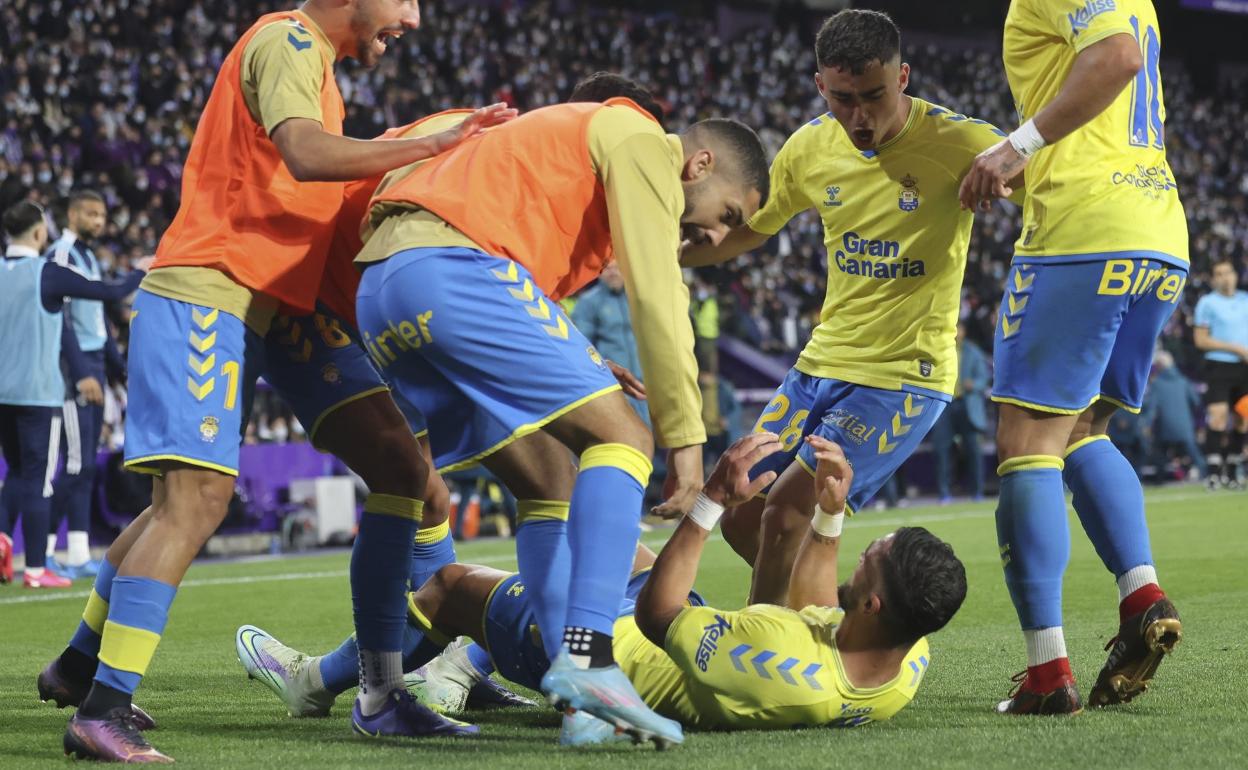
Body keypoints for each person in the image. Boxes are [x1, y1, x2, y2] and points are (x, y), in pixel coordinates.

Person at [43, 1, 516, 761]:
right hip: (214, 287)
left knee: (401, 466)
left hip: (282, 305)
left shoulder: (319, 65)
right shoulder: (287, 39)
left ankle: (379, 691)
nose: (417, 19)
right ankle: (102, 710)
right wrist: (428, 145)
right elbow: (303, 152)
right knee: (194, 499)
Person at [351, 91, 770, 745]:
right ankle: (588, 656)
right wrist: (684, 438)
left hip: (381, 289)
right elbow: (659, 292)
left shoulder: (558, 167)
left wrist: (587, 355)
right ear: (700, 163)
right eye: (730, 215)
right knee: (625, 436)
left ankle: (580, 702)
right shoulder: (642, 140)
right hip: (451, 268)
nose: (717, 238)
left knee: (548, 481)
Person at [234, 432, 966, 742]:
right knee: (617, 539)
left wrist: (712, 500)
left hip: (613, 649)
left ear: (873, 604)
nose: (848, 569)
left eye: (863, 567)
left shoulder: (783, 670)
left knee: (450, 583)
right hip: (684, 643)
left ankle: (319, 682)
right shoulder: (904, 658)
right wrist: (830, 519)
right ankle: (463, 666)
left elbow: (661, 612)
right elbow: (803, 611)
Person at [681, 9, 1019, 606]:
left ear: (903, 78)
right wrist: (659, 256)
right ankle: (828, 624)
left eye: (873, 96)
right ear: (819, 86)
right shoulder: (810, 147)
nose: (859, 116)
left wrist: (1016, 160)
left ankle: (770, 656)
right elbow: (752, 230)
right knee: (740, 511)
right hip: (820, 365)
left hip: (901, 376)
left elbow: (1052, 175)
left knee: (787, 510)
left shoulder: (961, 143)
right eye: (842, 99)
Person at [959, 0, 1187, 715]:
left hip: (1085, 230)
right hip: (1157, 232)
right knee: (1085, 428)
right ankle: (1141, 595)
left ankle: (1046, 671)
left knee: (1026, 443)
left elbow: (1116, 59)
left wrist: (1014, 146)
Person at [0, 200, 147, 590]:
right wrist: (138, 272)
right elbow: (104, 293)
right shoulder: (49, 269)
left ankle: (6, 539)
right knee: (42, 478)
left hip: (4, 391)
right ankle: (36, 566)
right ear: (38, 232)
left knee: (18, 474)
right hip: (40, 390)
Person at [44, 190, 124, 578]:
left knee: (87, 465)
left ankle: (77, 552)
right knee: (74, 463)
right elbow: (59, 321)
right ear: (72, 213)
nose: (98, 222)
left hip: (93, 364)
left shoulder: (89, 256)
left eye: (102, 215)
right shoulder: (61, 255)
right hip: (72, 371)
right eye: (91, 214)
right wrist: (81, 373)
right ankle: (41, 552)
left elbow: (98, 324)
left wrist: (118, 367)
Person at [1192, 257, 1248, 489]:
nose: (1225, 277)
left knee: (1243, 419)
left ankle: (1233, 471)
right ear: (1214, 279)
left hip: (1244, 369)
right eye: (1219, 274)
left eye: (1228, 272)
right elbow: (1200, 340)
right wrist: (1234, 348)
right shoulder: (1207, 303)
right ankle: (1214, 473)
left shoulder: (1245, 300)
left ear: (1235, 275)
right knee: (1218, 416)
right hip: (1219, 366)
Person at [571, 262, 649, 426]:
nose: (613, 273)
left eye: (617, 267)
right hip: (613, 388)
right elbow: (581, 346)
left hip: (643, 385)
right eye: (608, 268)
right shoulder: (588, 302)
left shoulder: (637, 298)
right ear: (599, 271)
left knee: (650, 442)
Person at [930, 322, 991, 502]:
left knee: (973, 450)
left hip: (967, 403)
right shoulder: (939, 350)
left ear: (964, 331)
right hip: (944, 405)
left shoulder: (973, 352)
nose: (956, 332)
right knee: (941, 449)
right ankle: (944, 493)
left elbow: (984, 377)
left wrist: (975, 384)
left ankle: (977, 492)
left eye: (959, 328)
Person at [1142, 352, 1206, 480]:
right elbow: (1196, 401)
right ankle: (1205, 475)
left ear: (1160, 366)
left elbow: (1151, 407)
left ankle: (1159, 480)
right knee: (1194, 452)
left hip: (1165, 427)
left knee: (1159, 451)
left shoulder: (1157, 384)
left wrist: (1146, 425)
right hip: (1185, 426)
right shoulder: (1184, 380)